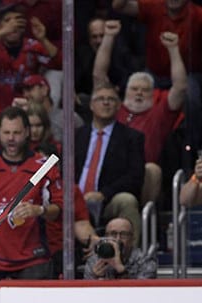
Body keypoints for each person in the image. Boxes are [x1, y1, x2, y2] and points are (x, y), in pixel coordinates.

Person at [93, 19, 187, 207]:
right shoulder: (113, 107)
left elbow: (180, 87)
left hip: (139, 179)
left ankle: (145, 220)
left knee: (152, 170)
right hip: (108, 175)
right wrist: (109, 37)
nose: (138, 93)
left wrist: (173, 49)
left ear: (153, 94)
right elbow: (99, 77)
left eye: (144, 90)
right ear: (124, 92)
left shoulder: (160, 113)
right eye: (134, 89)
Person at [0, 106, 63, 280]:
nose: (11, 138)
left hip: (32, 257)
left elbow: (58, 211)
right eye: (6, 132)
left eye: (16, 133)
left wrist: (39, 210)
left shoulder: (44, 167)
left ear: (27, 132)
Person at [74, 83, 145, 245]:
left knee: (127, 200)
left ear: (119, 105)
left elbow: (135, 177)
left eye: (111, 99)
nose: (106, 102)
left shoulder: (132, 137)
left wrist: (103, 194)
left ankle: (130, 255)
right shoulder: (76, 136)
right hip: (75, 198)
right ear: (91, 105)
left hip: (108, 199)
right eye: (100, 99)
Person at [83, 217, 157, 280]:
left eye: (123, 234)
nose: (118, 239)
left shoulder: (146, 261)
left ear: (132, 239)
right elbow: (87, 290)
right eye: (113, 234)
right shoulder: (95, 260)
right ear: (106, 237)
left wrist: (121, 270)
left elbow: (142, 290)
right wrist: (96, 278)